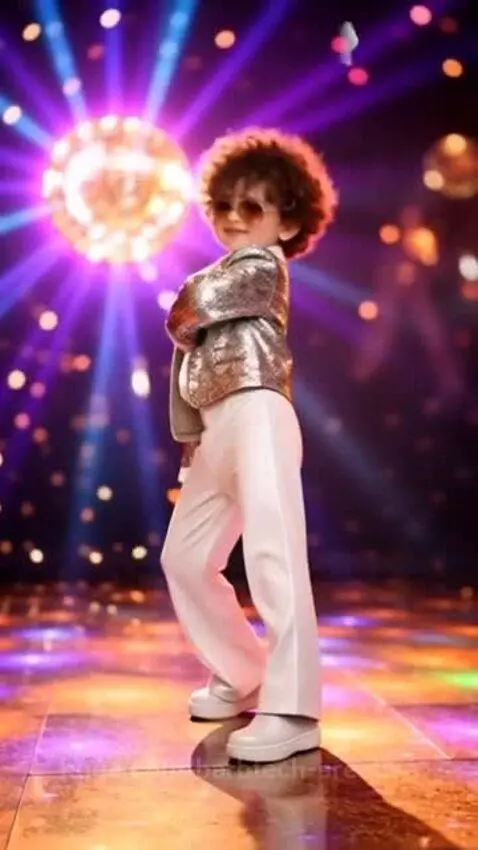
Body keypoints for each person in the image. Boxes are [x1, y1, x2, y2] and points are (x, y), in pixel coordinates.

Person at [161, 127, 337, 763]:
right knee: (184, 559)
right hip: (216, 432)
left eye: (253, 207)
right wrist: (192, 440)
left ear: (287, 223)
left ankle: (292, 708)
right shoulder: (218, 271)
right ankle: (244, 670)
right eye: (222, 205)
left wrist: (185, 307)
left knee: (273, 557)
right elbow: (187, 362)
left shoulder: (261, 268)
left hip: (259, 414)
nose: (234, 218)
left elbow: (194, 307)